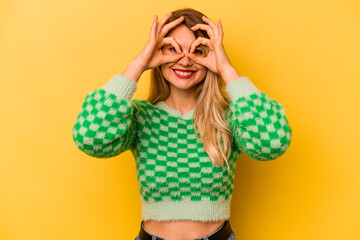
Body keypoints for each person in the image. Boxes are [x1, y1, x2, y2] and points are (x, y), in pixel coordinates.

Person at [72, 7, 292, 240]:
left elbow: (274, 142)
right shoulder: (140, 118)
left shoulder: (229, 118)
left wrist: (226, 69)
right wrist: (139, 62)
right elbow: (88, 137)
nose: (186, 61)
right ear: (158, 52)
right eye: (173, 50)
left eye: (198, 51)